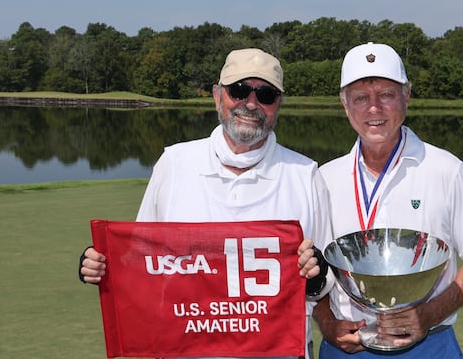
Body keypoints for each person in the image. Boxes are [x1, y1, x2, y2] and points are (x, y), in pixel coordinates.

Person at [79, 48, 335, 359]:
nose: (251, 103)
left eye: (265, 94)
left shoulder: (306, 175)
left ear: (278, 104)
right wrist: (103, 265)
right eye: (239, 90)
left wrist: (317, 275)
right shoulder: (174, 163)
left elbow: (323, 284)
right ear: (218, 96)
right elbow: (142, 261)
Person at [313, 42, 463, 358]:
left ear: (406, 96)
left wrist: (427, 315)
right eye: (361, 98)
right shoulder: (322, 179)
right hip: (346, 347)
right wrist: (326, 322)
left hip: (429, 345)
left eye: (386, 94)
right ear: (345, 105)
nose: (374, 108)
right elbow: (312, 272)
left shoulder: (447, 171)